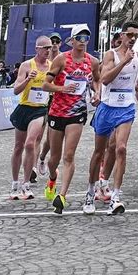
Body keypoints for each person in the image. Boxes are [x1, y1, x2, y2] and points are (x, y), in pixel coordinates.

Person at [86, 20, 138, 215]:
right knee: (99, 152)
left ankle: (116, 196)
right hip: (107, 106)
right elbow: (105, 79)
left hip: (126, 108)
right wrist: (125, 63)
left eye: (136, 35)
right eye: (129, 34)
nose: (132, 38)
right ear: (121, 35)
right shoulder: (110, 55)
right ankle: (90, 191)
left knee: (120, 148)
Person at [42, 26, 98, 214]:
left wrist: (96, 93)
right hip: (57, 112)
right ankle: (52, 178)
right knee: (54, 159)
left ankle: (63, 195)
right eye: (80, 37)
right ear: (72, 41)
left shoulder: (92, 62)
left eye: (86, 38)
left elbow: (96, 81)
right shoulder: (61, 59)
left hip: (77, 113)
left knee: (69, 155)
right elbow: (45, 85)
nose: (83, 41)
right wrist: (61, 89)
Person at [8, 34, 55, 200]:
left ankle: (26, 184)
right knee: (18, 146)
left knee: (30, 143)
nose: (48, 51)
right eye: (45, 48)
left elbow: (55, 86)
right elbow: (16, 90)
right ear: (37, 49)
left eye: (50, 48)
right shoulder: (27, 65)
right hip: (24, 108)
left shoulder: (52, 67)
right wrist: (28, 79)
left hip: (40, 110)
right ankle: (15, 183)